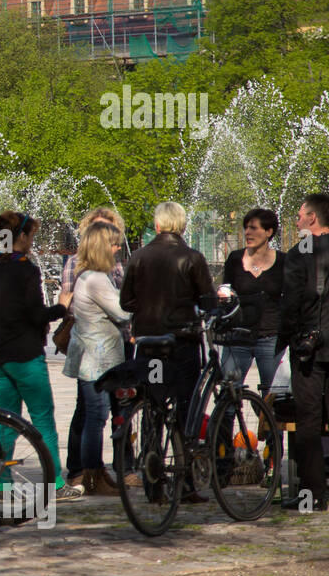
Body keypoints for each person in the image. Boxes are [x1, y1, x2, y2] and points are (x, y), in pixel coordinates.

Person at [0, 210, 82, 500]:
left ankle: (4, 484)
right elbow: (36, 315)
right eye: (31, 236)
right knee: (43, 420)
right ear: (20, 237)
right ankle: (55, 484)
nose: (32, 242)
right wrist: (62, 307)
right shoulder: (26, 269)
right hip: (25, 356)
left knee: (8, 422)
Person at [120, 201, 214, 502]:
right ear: (182, 227)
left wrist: (146, 311)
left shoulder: (138, 256)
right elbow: (208, 300)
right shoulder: (192, 257)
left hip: (148, 343)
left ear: (157, 226)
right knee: (186, 410)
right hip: (182, 342)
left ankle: (153, 483)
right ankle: (185, 484)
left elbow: (126, 303)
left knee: (152, 407)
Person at [278, 193, 329, 511]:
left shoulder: (300, 252)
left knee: (309, 419)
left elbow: (291, 302)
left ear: (313, 218)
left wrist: (284, 339)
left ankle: (313, 495)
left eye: (299, 216)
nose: (296, 222)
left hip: (308, 346)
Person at [58, 206, 127, 487]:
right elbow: (123, 312)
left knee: (92, 413)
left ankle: (91, 472)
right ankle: (92, 473)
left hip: (93, 354)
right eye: (113, 245)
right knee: (96, 415)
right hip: (96, 358)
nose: (117, 248)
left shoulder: (93, 275)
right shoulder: (97, 279)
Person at [220, 208, 285, 391]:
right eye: (246, 228)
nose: (248, 232)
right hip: (238, 337)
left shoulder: (283, 261)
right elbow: (226, 287)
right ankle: (226, 420)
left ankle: (265, 419)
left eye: (254, 228)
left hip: (270, 337)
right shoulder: (235, 259)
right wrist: (224, 295)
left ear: (269, 232)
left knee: (271, 397)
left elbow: (290, 298)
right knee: (229, 392)